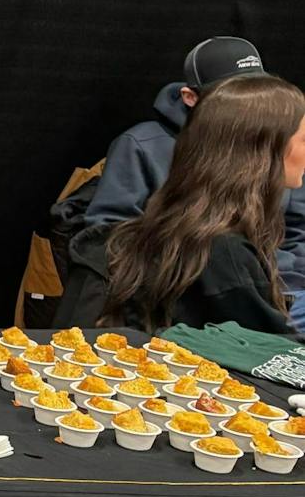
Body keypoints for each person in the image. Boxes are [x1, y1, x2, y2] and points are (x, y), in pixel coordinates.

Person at [83, 36, 305, 327]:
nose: (248, 106)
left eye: (254, 91)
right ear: (190, 97)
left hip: (275, 285)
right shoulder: (146, 146)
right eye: (232, 96)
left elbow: (297, 230)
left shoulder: (281, 151)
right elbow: (109, 235)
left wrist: (287, 282)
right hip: (204, 290)